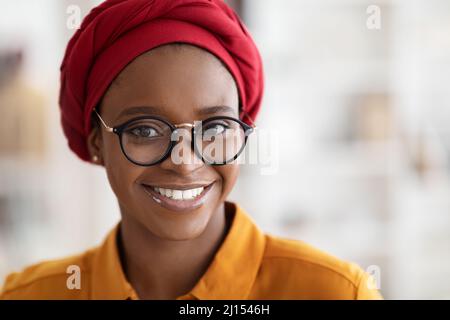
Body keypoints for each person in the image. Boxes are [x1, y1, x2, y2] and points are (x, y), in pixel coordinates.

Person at [0, 0, 382, 300]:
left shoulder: (335, 293)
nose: (185, 162)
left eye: (215, 127)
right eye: (146, 129)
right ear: (96, 141)